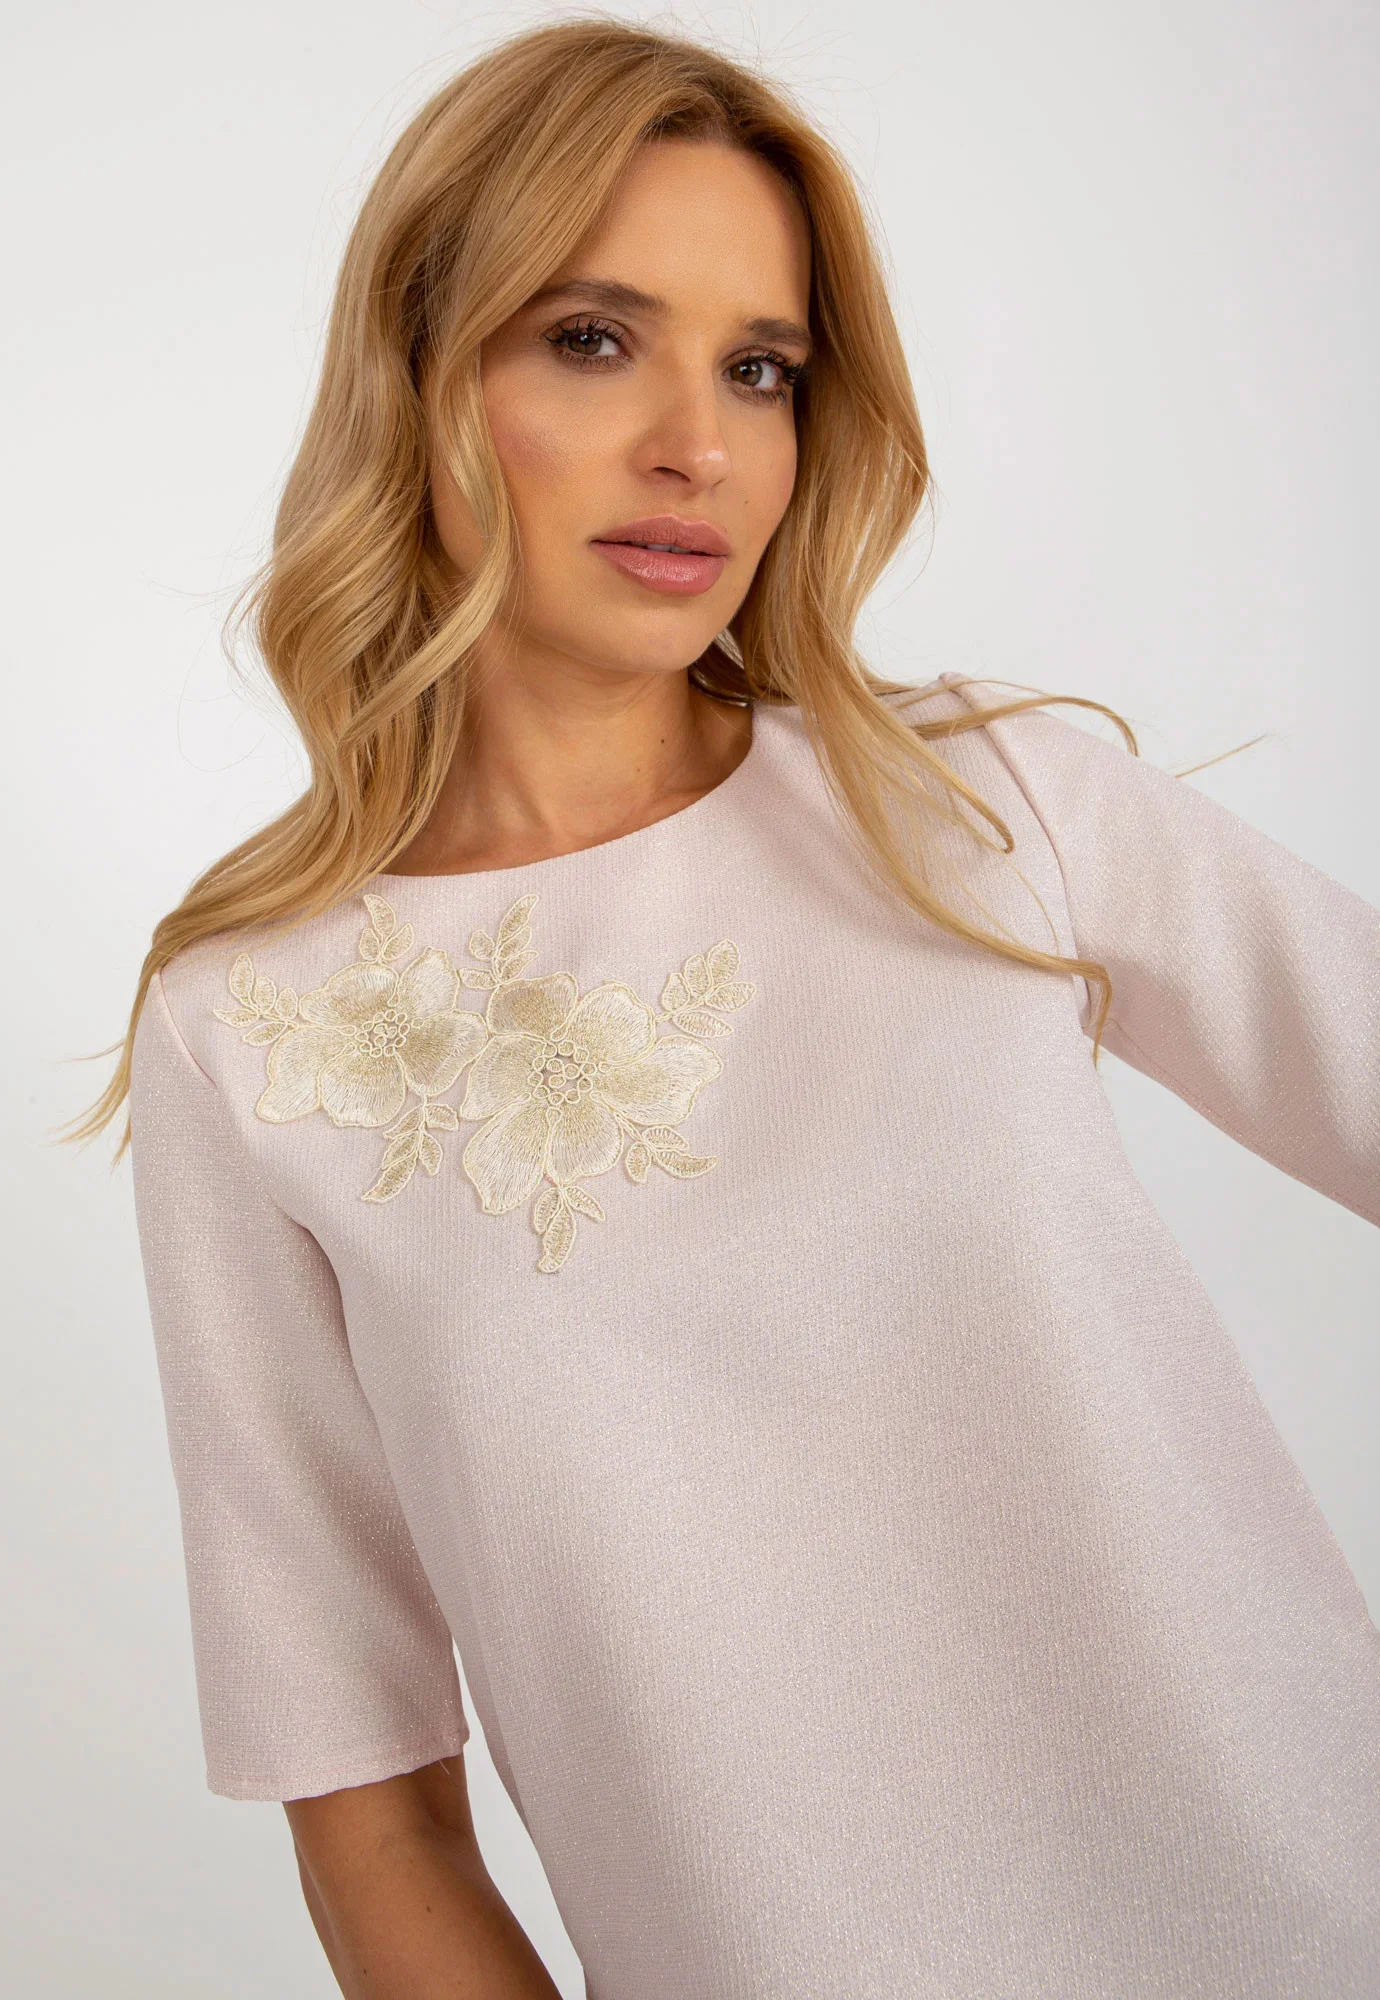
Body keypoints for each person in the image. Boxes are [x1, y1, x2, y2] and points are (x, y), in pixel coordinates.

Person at [71, 18, 1380, 1998]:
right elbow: (373, 1814)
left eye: (761, 367)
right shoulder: (245, 1023)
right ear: (422, 376)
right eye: (594, 339)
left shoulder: (984, 809)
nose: (698, 442)